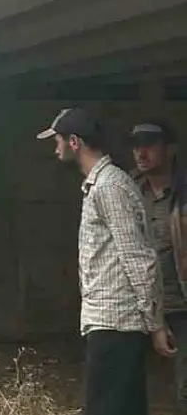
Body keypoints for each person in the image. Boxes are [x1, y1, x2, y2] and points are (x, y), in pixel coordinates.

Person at [38, 107, 164, 415]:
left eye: (58, 140)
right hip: (109, 322)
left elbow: (137, 256)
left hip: (116, 323)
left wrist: (155, 323)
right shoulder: (104, 184)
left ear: (75, 143)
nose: (56, 147)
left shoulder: (110, 187)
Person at [129, 120, 187, 411]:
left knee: (184, 390)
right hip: (140, 308)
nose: (141, 152)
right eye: (137, 146)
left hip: (181, 305)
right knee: (130, 386)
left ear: (170, 149)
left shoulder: (184, 192)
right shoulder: (128, 192)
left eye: (150, 144)